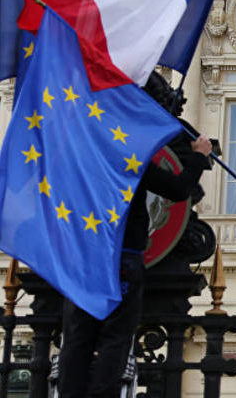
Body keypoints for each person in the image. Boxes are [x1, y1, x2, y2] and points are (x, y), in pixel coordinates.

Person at [57, 72, 213, 398]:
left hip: (83, 257)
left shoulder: (78, 153)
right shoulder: (126, 159)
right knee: (116, 335)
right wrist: (198, 155)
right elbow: (178, 188)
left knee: (77, 335)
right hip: (123, 255)